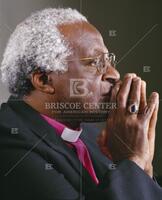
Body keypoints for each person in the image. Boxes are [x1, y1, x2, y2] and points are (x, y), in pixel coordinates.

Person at [0, 8, 161, 200]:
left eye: (108, 61)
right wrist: (132, 160)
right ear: (44, 80)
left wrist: (145, 167)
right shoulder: (8, 144)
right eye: (95, 62)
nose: (114, 74)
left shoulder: (93, 135)